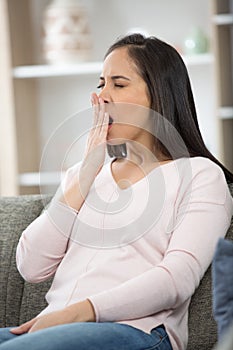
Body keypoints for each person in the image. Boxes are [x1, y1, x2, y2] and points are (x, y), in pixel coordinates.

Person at [0, 33, 232, 350]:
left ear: (159, 95)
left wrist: (78, 313)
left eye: (119, 84)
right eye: (101, 84)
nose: (101, 97)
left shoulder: (199, 175)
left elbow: (176, 279)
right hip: (53, 329)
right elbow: (31, 265)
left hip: (138, 331)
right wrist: (84, 174)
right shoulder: (85, 175)